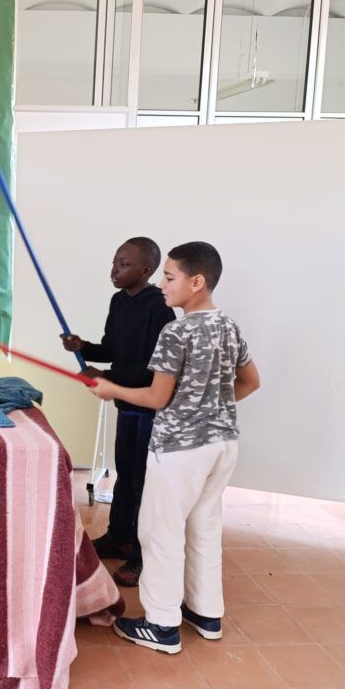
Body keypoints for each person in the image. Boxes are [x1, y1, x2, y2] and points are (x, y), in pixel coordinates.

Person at [91, 241, 260, 654]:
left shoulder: (176, 331)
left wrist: (111, 388)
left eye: (169, 277)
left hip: (181, 451)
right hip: (222, 445)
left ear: (196, 282)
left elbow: (156, 398)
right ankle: (206, 613)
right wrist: (210, 410)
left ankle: (162, 624)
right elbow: (251, 382)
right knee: (204, 526)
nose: (162, 285)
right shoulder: (229, 326)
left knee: (160, 531)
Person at [62, 237, 175, 586]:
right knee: (125, 475)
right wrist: (84, 347)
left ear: (146, 270)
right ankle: (119, 537)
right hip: (127, 407)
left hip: (150, 410)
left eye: (124, 264)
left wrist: (107, 377)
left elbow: (156, 370)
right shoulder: (118, 301)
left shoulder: (160, 308)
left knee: (143, 484)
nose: (115, 269)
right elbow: (113, 349)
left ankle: (142, 555)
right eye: (114, 262)